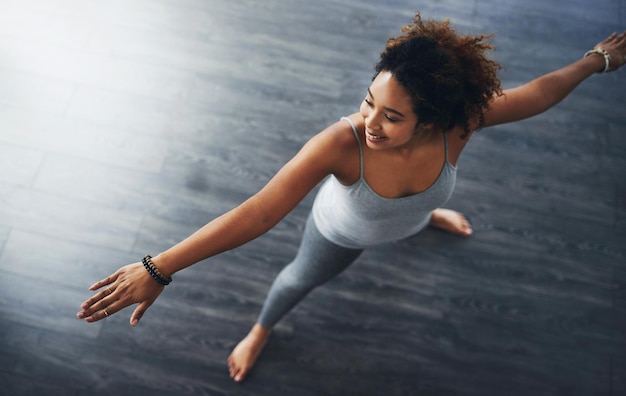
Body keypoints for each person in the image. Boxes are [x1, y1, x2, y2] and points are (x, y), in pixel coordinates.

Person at [77, 13, 626, 383]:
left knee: (415, 209)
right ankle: (261, 329)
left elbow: (535, 94)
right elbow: (261, 209)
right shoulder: (342, 144)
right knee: (298, 278)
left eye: (391, 116)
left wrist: (594, 60)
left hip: (404, 218)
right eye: (369, 103)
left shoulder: (461, 124)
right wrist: (161, 266)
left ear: (432, 119)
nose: (371, 122)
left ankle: (429, 212)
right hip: (343, 233)